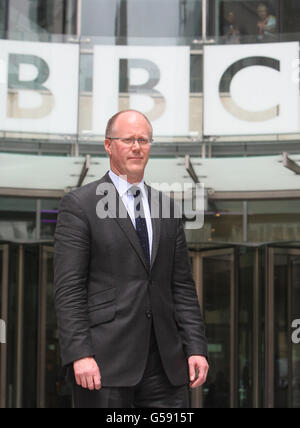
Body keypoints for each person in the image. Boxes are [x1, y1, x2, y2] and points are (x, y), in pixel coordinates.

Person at [54, 110, 209, 408]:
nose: (137, 147)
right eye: (128, 139)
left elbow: (182, 287)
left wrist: (196, 348)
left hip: (165, 366)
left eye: (143, 140)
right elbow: (69, 289)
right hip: (103, 364)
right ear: (108, 145)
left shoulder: (167, 207)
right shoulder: (81, 205)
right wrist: (79, 354)